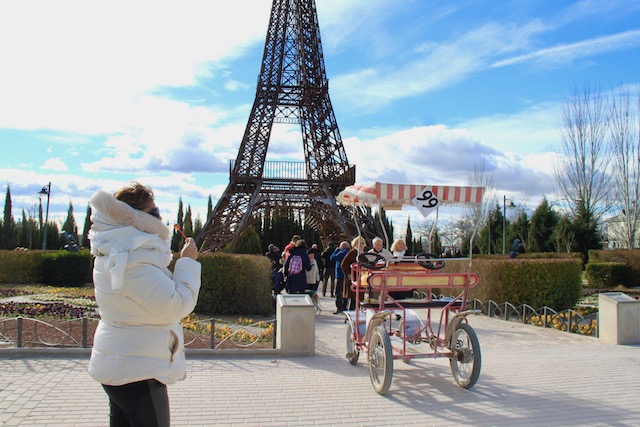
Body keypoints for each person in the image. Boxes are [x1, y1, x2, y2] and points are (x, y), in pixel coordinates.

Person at [88, 182, 201, 427]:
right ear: (136, 218)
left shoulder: (121, 251)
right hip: (137, 370)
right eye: (154, 212)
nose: (160, 217)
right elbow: (176, 304)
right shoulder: (131, 259)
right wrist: (188, 263)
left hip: (127, 362)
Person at [341, 236, 368, 311]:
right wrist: (348, 274)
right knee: (353, 298)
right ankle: (351, 314)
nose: (361, 245)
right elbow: (344, 264)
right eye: (359, 243)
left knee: (358, 297)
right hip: (353, 278)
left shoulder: (362, 254)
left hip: (360, 278)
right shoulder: (353, 252)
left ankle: (356, 313)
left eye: (362, 243)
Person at [330, 241, 350, 314]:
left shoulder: (342, 252)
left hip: (340, 275)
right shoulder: (349, 252)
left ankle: (339, 307)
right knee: (345, 292)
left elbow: (332, 258)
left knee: (338, 292)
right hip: (346, 275)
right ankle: (345, 306)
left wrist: (337, 250)